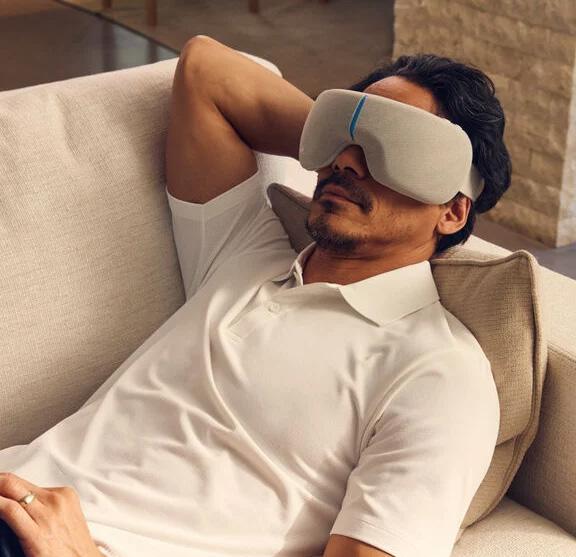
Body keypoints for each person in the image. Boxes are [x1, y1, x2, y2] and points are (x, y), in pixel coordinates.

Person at [0, 34, 511, 557]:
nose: (346, 163)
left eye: (401, 146)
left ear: (453, 211)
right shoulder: (244, 253)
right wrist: (348, 131)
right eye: (342, 136)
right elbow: (205, 69)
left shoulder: (440, 373)